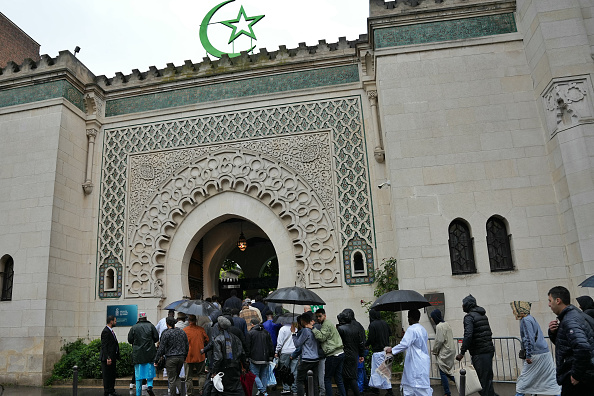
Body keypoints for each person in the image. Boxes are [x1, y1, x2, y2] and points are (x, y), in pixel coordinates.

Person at [548, 286, 594, 395]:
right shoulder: (572, 315)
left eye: (550, 301)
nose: (549, 304)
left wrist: (576, 374)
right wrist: (553, 333)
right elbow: (566, 344)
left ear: (558, 300)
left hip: (579, 378)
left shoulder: (570, 319)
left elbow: (582, 347)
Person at [509, 301, 560, 396]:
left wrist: (528, 355)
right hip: (544, 353)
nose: (514, 312)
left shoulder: (525, 320)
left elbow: (529, 339)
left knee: (523, 381)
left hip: (535, 354)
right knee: (551, 380)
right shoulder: (531, 318)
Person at [455, 295, 498, 396]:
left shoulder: (469, 317)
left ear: (468, 305)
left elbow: (468, 335)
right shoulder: (483, 315)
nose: (462, 306)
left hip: (480, 352)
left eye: (463, 304)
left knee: (481, 383)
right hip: (488, 351)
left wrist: (462, 352)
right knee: (487, 381)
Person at [386, 309, 432, 396]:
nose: (408, 319)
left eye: (408, 317)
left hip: (415, 361)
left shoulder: (411, 329)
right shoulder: (423, 329)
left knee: (413, 387)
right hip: (422, 360)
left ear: (411, 318)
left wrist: (392, 350)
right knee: (421, 387)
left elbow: (404, 344)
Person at [211, 316, 247, 396]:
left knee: (222, 389)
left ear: (219, 327)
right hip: (235, 367)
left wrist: (214, 371)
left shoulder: (218, 339)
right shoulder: (236, 338)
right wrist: (244, 366)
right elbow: (242, 353)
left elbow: (218, 357)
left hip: (223, 368)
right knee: (235, 388)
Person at [312, 308, 346, 396]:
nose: (318, 318)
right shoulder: (329, 323)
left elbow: (321, 337)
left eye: (320, 316)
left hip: (333, 354)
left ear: (325, 315)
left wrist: (312, 328)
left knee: (327, 378)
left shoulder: (326, 324)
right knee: (338, 378)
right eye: (317, 317)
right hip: (340, 352)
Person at [155, 316, 189, 395]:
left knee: (171, 379)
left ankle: (173, 394)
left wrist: (156, 360)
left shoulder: (166, 333)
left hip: (170, 358)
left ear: (167, 324)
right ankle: (183, 393)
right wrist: (185, 357)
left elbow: (161, 348)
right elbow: (186, 345)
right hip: (181, 357)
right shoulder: (182, 332)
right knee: (177, 377)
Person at [128, 312, 159, 396]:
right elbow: (156, 338)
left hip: (138, 354)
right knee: (150, 372)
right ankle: (149, 386)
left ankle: (138, 393)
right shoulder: (151, 326)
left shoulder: (134, 327)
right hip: (149, 354)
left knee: (138, 375)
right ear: (146, 318)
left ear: (139, 319)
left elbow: (130, 340)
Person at [337, 310, 365, 396]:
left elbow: (338, 342)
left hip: (345, 354)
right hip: (354, 354)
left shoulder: (341, 329)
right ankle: (344, 393)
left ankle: (355, 394)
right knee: (349, 376)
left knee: (349, 377)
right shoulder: (356, 328)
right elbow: (360, 343)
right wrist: (361, 354)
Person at [293, 311, 320, 396]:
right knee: (315, 381)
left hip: (307, 359)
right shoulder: (315, 330)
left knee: (299, 380)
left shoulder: (305, 331)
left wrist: (293, 334)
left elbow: (297, 344)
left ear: (303, 321)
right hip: (316, 358)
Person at [366, 310, 392, 396]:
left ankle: (389, 391)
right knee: (382, 371)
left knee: (380, 371)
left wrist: (366, 344)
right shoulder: (384, 323)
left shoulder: (372, 325)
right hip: (386, 351)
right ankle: (376, 389)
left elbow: (371, 338)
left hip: (378, 351)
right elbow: (390, 333)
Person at [430, 309, 455, 396]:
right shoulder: (447, 324)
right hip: (451, 349)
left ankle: (447, 392)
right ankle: (461, 383)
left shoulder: (439, 326)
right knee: (447, 370)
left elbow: (439, 340)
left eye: (432, 317)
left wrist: (435, 350)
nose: (432, 319)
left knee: (443, 371)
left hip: (445, 351)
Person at [247, 318, 275, 396]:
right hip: (265, 358)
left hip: (254, 358)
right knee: (263, 375)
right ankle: (264, 391)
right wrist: (270, 356)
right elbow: (270, 345)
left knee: (255, 374)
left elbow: (248, 346)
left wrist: (247, 357)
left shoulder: (250, 333)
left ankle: (262, 390)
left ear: (252, 324)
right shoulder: (266, 333)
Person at [183, 314, 209, 396]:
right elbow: (207, 340)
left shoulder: (185, 330)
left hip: (188, 356)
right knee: (201, 374)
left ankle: (190, 393)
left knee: (188, 376)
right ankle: (201, 390)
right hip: (199, 355)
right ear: (196, 321)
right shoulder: (201, 329)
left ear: (189, 321)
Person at [276, 320, 298, 395]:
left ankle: (286, 388)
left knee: (284, 371)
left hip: (285, 352)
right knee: (294, 371)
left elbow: (280, 342)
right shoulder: (296, 328)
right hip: (295, 352)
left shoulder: (282, 329)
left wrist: (276, 351)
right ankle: (294, 388)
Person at [101, 315, 120, 396]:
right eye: (115, 321)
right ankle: (107, 391)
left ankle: (111, 390)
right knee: (107, 375)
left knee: (112, 375)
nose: (116, 322)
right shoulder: (105, 331)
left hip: (112, 357)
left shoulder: (111, 331)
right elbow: (104, 346)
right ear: (111, 321)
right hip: (107, 359)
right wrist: (108, 357)